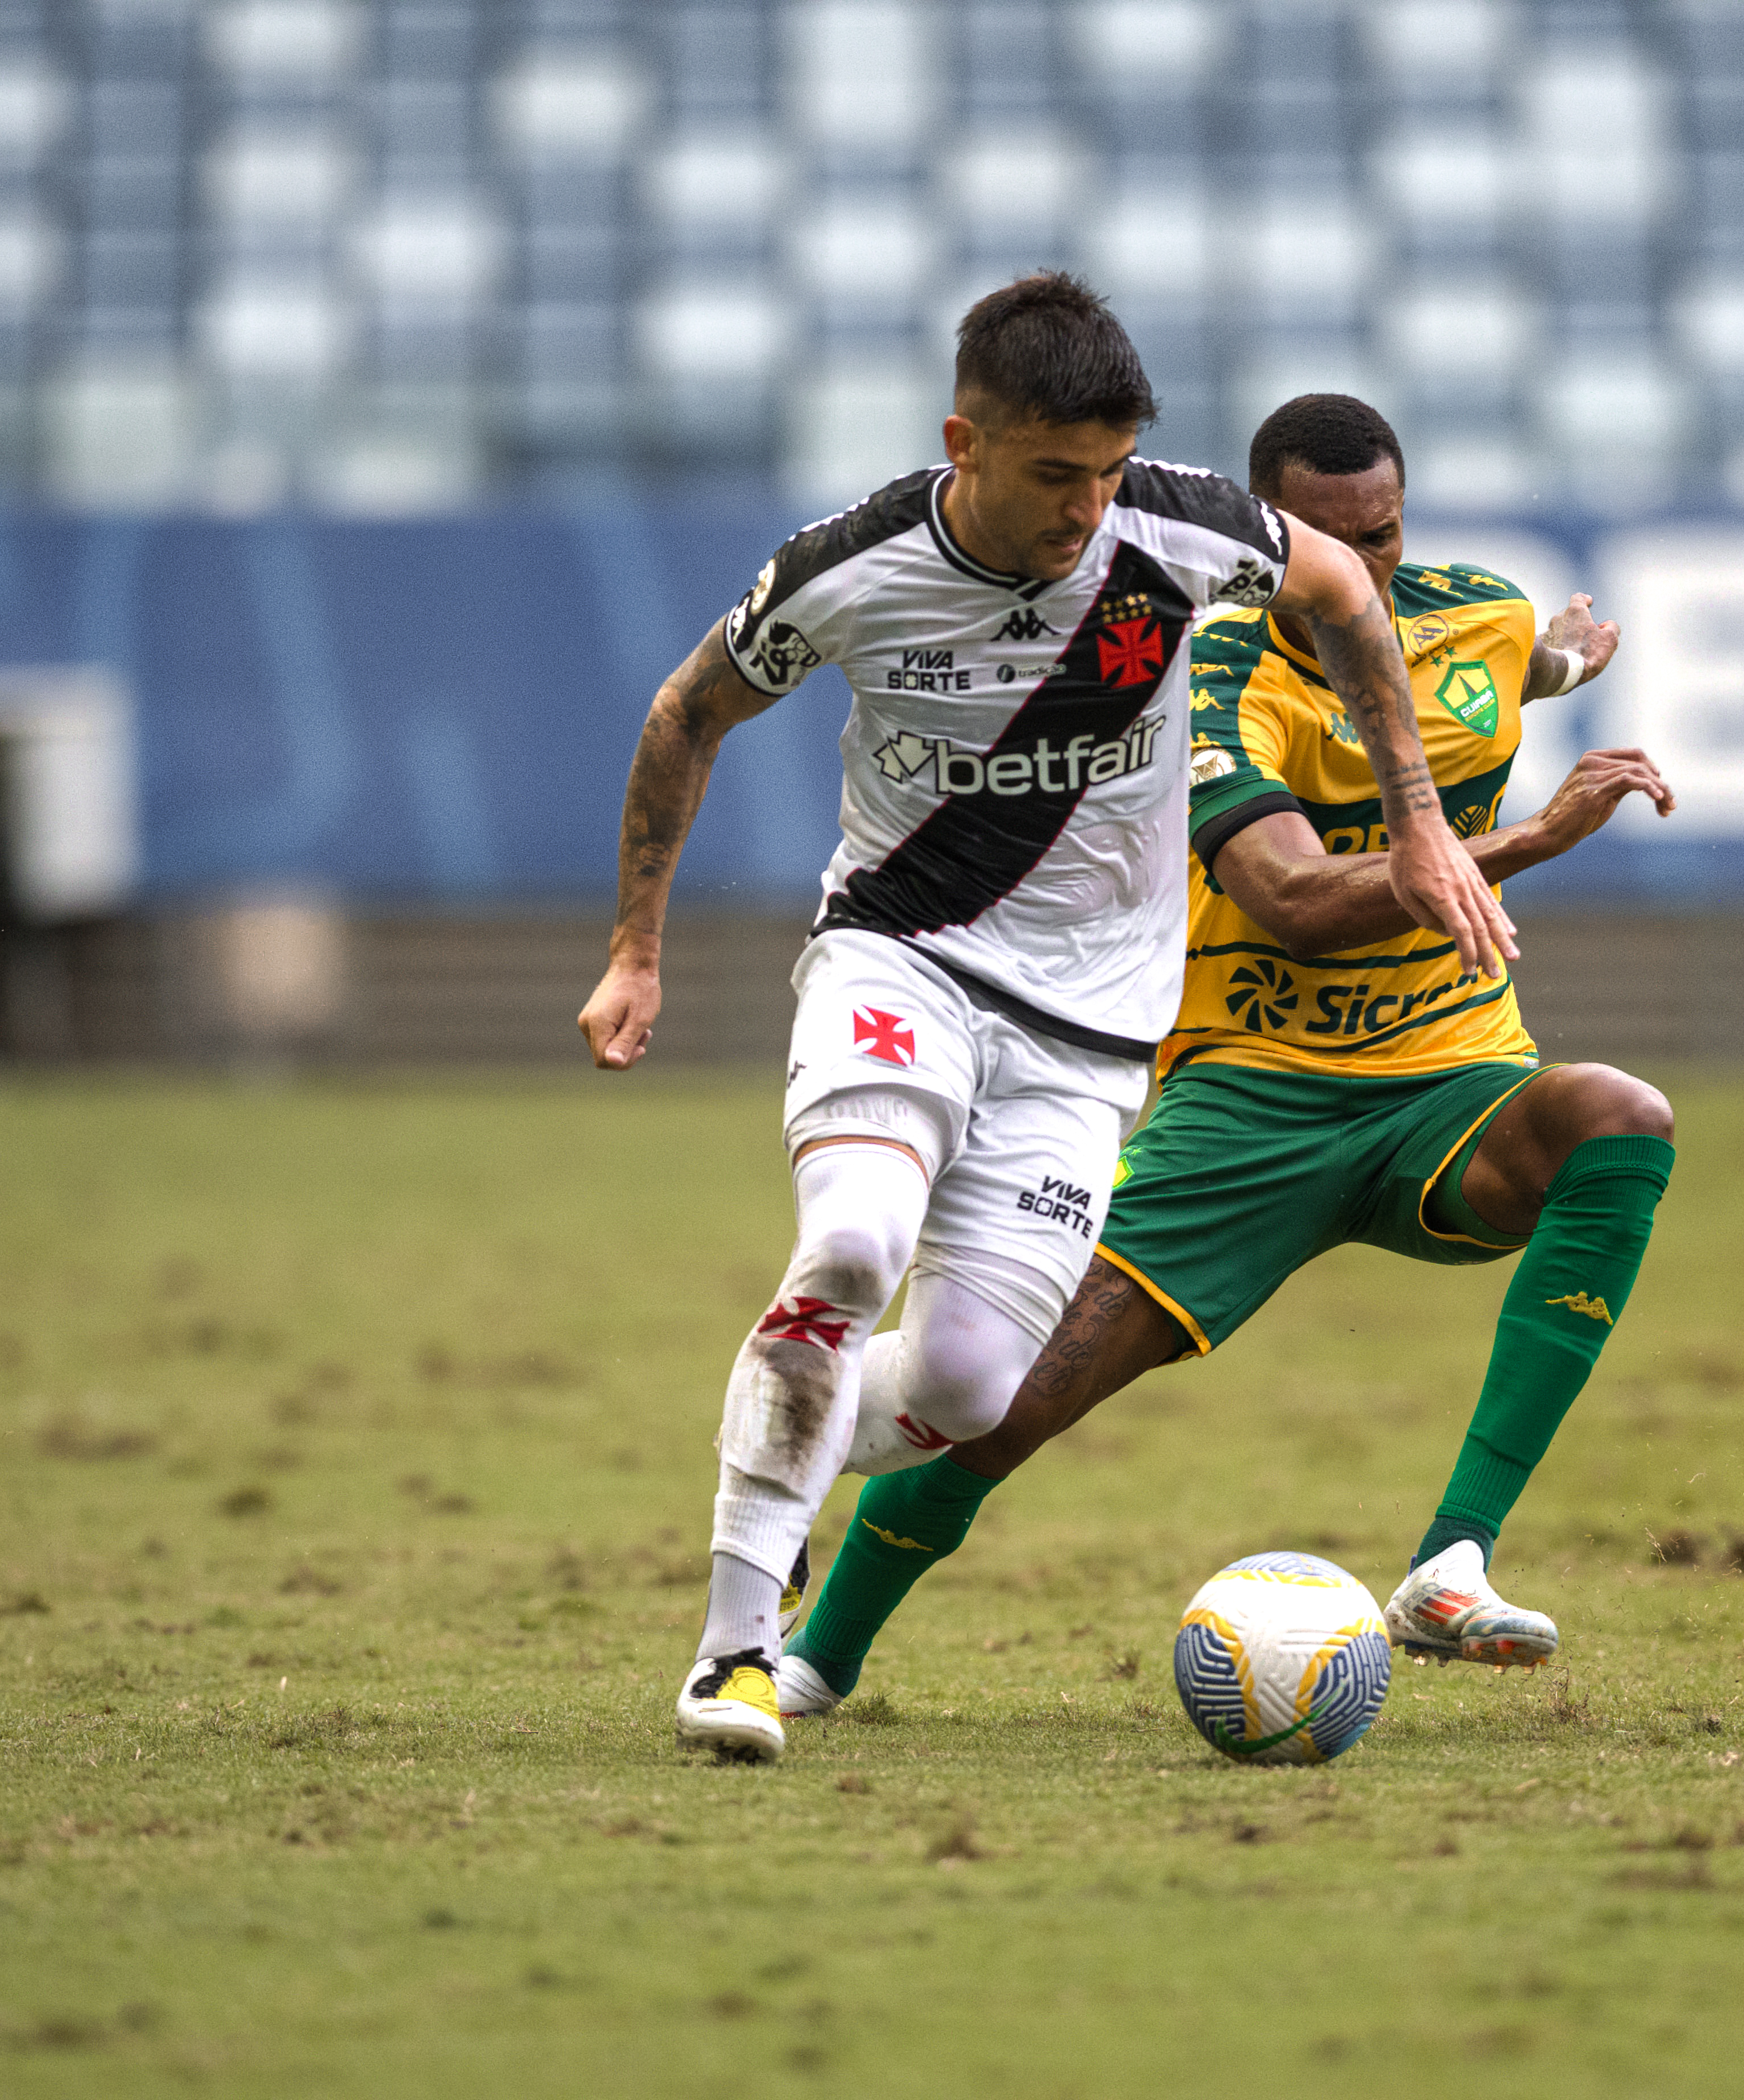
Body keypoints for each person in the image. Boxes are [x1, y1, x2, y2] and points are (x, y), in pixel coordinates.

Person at [577, 282, 1514, 1764]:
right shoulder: (852, 566)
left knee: (965, 1387)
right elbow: (686, 710)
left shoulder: (1178, 529)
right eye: (1056, 474)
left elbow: (1343, 591)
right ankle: (734, 1654)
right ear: (966, 442)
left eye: (1110, 471)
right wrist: (636, 951)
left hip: (1089, 1035)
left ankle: (789, 1442)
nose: (1090, 509)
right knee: (853, 1247)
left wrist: (1417, 826)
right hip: (902, 963)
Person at [778, 393, 1677, 1716]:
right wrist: (1528, 841)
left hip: (1451, 1079)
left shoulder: (1477, 611)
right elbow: (1294, 900)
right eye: (1328, 543)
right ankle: (816, 1656)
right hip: (1247, 1094)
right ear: (1265, 538)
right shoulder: (1204, 668)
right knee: (1007, 1396)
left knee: (1616, 1115)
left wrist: (1555, 661)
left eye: (1384, 536)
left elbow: (1499, 672)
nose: (1360, 570)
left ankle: (1451, 1560)